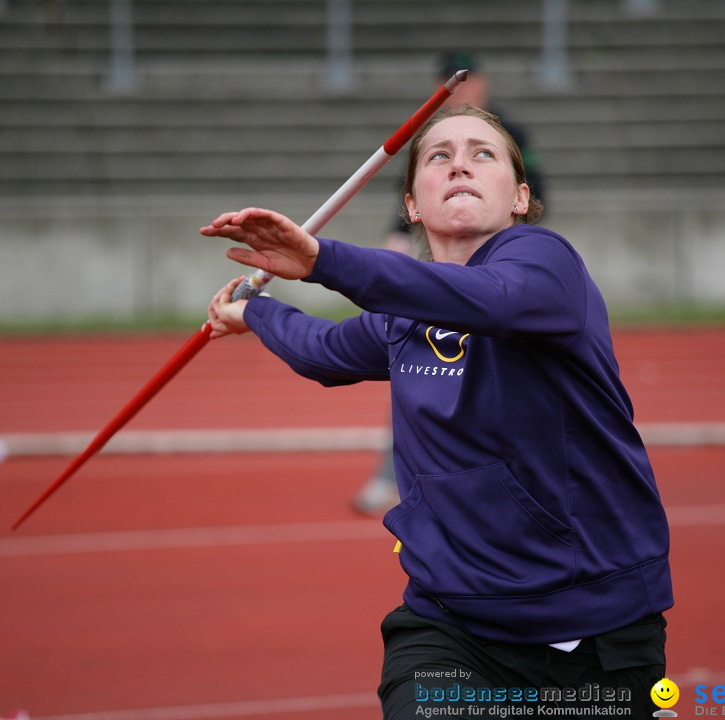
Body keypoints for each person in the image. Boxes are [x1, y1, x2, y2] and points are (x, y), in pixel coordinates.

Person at [201, 105, 672, 719]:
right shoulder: (406, 314)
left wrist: (324, 261)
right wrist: (256, 314)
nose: (460, 166)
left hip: (597, 631)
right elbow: (325, 351)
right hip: (450, 625)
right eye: (439, 156)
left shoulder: (548, 265)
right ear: (413, 207)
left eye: (483, 154)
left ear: (521, 198)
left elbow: (490, 301)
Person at [352, 50, 548, 515]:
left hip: (505, 267)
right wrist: (397, 239)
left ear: (482, 83)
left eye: (466, 82)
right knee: (420, 366)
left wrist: (519, 253)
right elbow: (411, 194)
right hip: (443, 263)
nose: (460, 164)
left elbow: (537, 191)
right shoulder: (429, 136)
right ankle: (394, 476)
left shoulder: (511, 134)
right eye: (450, 83)